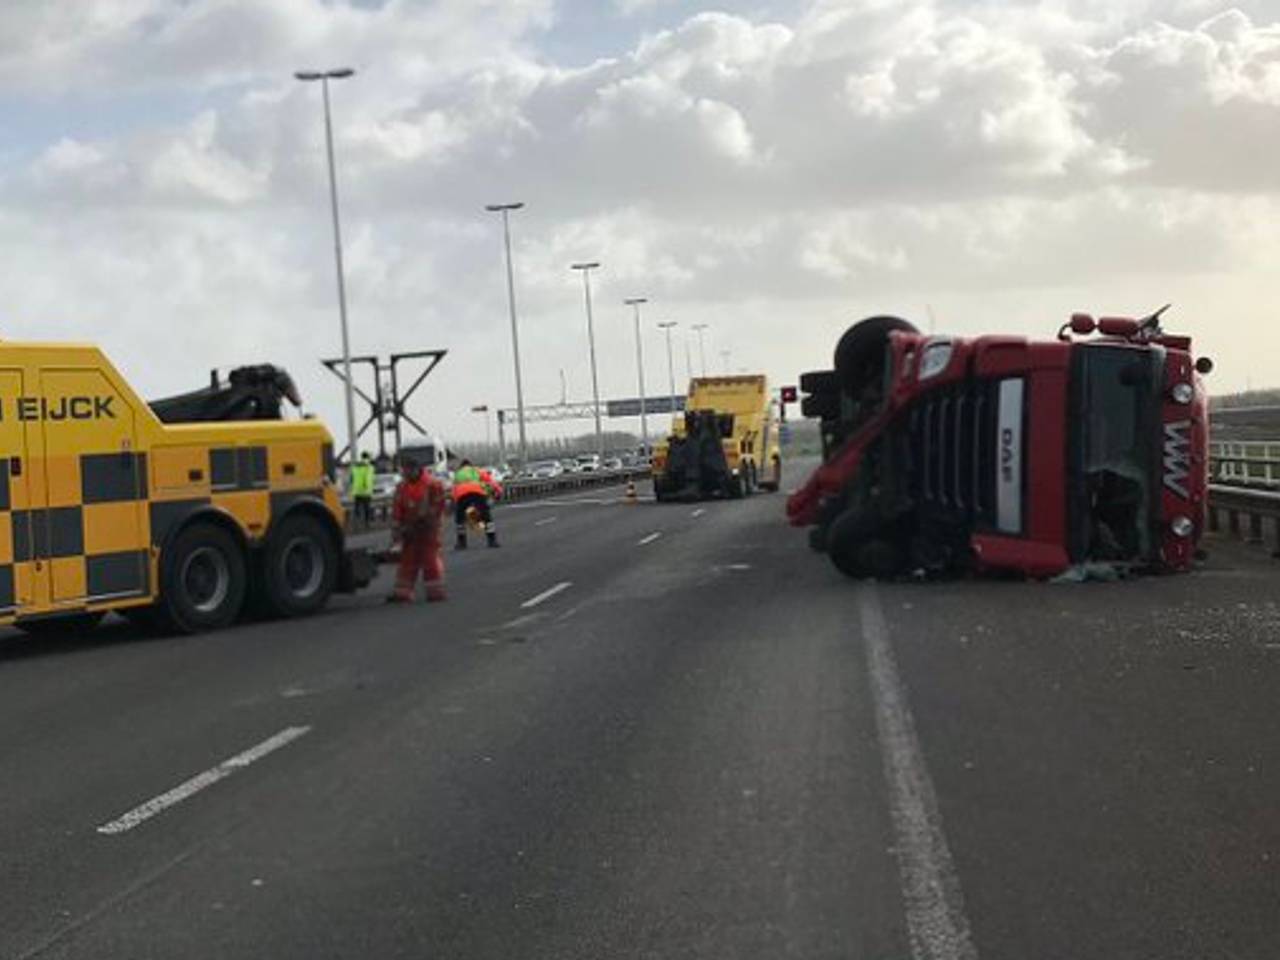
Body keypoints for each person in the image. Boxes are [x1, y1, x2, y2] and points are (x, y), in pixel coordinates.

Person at [388, 451, 447, 602]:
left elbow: (437, 507)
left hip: (428, 529)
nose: (405, 473)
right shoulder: (402, 487)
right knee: (407, 560)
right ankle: (403, 593)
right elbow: (397, 509)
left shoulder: (432, 485)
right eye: (403, 470)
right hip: (409, 529)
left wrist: (424, 522)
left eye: (407, 470)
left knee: (429, 559)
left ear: (416, 468)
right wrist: (397, 529)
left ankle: (435, 592)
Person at [452, 458, 503, 549]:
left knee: (460, 520)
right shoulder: (477, 470)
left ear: (461, 466)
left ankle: (461, 543)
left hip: (462, 495)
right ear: (471, 465)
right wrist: (498, 492)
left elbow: (454, 489)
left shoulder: (457, 474)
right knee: (486, 517)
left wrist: (457, 503)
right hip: (477, 493)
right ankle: (492, 540)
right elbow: (491, 482)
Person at [350, 451, 376, 530]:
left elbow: (351, 479)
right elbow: (369, 478)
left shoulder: (355, 466)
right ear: (368, 457)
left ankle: (356, 525)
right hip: (366, 491)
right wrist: (367, 486)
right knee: (367, 508)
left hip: (356, 491)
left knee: (357, 508)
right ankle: (367, 524)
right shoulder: (369, 467)